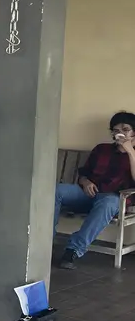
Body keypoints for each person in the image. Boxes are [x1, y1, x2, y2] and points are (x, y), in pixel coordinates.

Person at [55, 111, 135, 269]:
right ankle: (43, 241)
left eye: (125, 129)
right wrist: (85, 182)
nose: (120, 133)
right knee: (56, 190)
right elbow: (84, 173)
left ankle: (73, 250)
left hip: (114, 199)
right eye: (116, 130)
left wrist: (131, 152)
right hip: (88, 194)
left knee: (108, 203)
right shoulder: (102, 149)